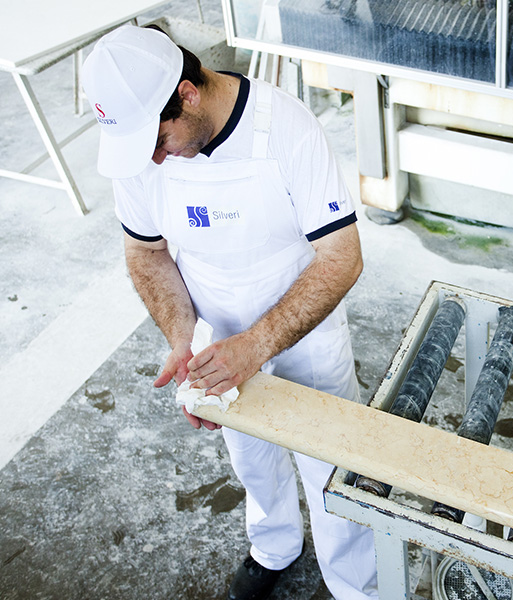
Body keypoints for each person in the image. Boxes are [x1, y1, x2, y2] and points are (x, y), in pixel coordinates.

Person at [82, 25, 379, 600]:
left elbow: (342, 257)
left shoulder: (286, 127)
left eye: (158, 138)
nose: (152, 157)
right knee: (250, 455)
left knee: (334, 468)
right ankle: (273, 548)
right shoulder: (144, 156)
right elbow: (145, 252)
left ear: (188, 93)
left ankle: (358, 587)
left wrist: (259, 344)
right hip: (214, 333)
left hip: (303, 333)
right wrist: (183, 340)